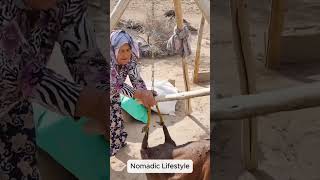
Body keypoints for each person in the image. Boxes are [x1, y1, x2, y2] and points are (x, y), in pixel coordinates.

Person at [0, 0, 109, 179]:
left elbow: (86, 58)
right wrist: (97, 105)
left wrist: (107, 100)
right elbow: (22, 73)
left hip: (14, 108)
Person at [110, 30, 156, 156]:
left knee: (116, 120)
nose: (125, 54)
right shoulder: (108, 62)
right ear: (114, 50)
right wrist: (138, 94)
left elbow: (136, 79)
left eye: (128, 50)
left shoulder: (130, 61)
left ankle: (118, 143)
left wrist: (145, 93)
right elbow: (116, 84)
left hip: (113, 95)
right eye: (121, 50)